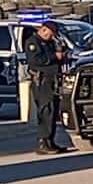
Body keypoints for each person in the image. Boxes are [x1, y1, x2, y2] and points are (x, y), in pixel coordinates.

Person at [25, 21, 70, 154]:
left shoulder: (49, 42)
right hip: (42, 81)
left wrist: (61, 55)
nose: (51, 37)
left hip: (52, 80)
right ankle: (43, 142)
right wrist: (54, 56)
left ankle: (50, 141)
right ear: (44, 30)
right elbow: (36, 60)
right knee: (46, 111)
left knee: (53, 112)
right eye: (50, 34)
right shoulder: (33, 43)